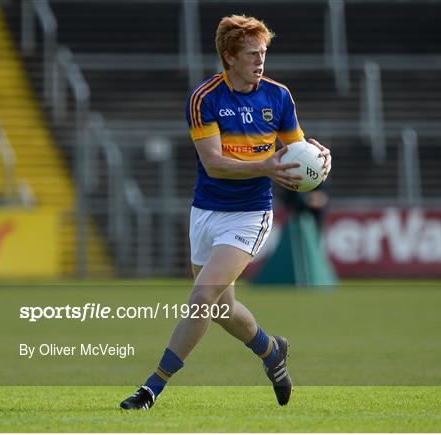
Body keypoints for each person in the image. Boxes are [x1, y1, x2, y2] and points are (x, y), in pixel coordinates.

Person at [120, 14, 332, 410]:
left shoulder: (279, 96)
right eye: (252, 54)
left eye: (263, 53)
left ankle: (151, 388)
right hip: (206, 212)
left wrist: (319, 162)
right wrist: (266, 165)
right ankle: (272, 351)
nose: (260, 61)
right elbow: (215, 163)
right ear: (228, 56)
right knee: (220, 308)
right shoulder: (205, 99)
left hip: (251, 213)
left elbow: (296, 154)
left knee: (202, 297)